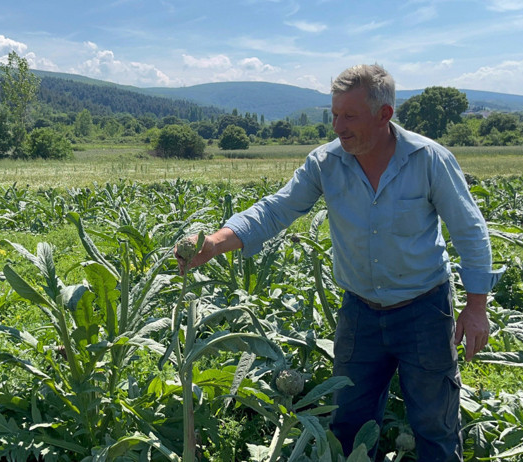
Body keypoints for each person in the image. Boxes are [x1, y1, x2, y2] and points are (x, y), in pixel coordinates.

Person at [175, 64, 503, 461]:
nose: (338, 127)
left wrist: (477, 306)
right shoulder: (325, 163)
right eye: (334, 115)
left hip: (424, 311)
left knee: (434, 425)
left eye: (349, 116)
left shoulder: (429, 159)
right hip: (359, 313)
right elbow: (276, 209)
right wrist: (214, 242)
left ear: (384, 115)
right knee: (349, 424)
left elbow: (470, 230)